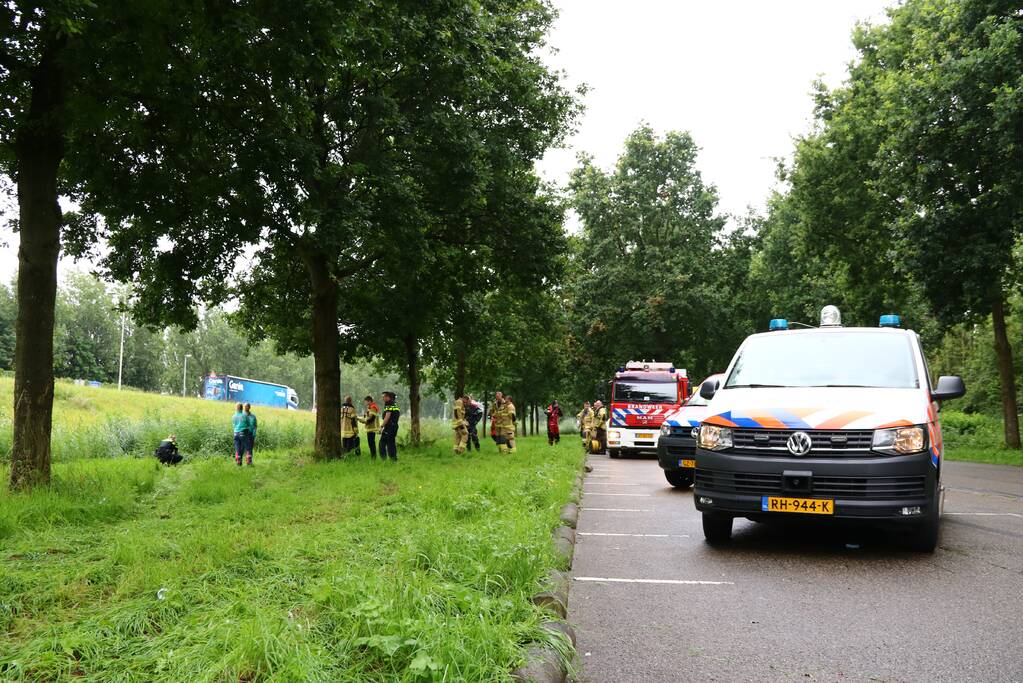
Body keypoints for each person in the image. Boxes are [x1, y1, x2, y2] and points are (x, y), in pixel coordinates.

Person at [379, 391, 400, 461]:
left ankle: (383, 459)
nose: (382, 398)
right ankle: (393, 459)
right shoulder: (394, 404)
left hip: (389, 427)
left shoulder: (389, 404)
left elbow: (387, 417)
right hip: (394, 426)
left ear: (388, 397)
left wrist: (382, 426)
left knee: (382, 442)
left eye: (384, 396)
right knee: (391, 442)